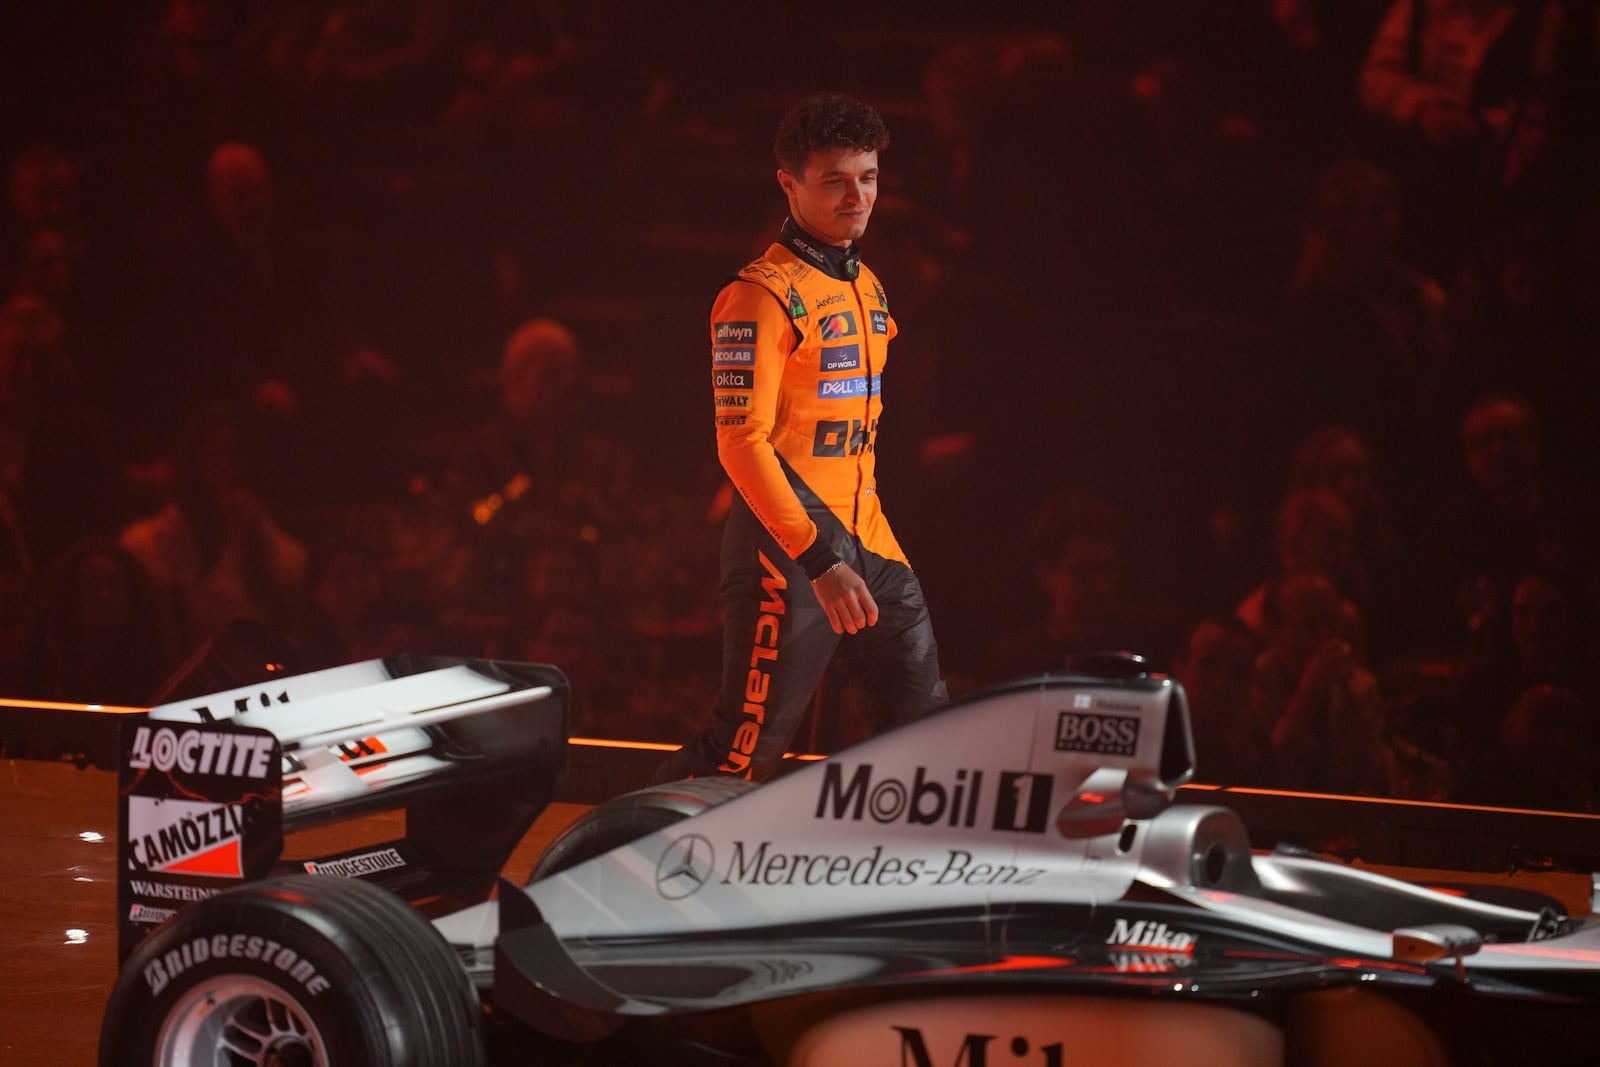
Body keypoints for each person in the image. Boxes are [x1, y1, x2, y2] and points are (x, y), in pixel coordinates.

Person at [651, 92, 947, 784]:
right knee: (741, 754)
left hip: (868, 536)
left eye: (868, 177)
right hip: (786, 548)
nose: (857, 196)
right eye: (834, 179)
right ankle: (613, 859)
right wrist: (817, 555)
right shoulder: (758, 293)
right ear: (789, 183)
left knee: (927, 733)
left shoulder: (867, 284)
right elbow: (739, 443)